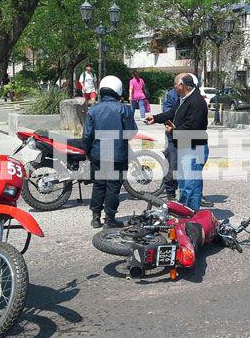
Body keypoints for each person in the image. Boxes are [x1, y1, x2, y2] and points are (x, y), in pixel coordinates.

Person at [146, 73, 209, 210]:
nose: (174, 88)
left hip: (194, 147)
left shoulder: (197, 102)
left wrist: (172, 132)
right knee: (184, 184)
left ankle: (191, 214)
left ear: (182, 85)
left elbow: (192, 127)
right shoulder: (183, 99)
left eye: (175, 85)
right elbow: (171, 114)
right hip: (184, 146)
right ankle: (184, 211)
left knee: (191, 184)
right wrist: (155, 118)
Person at [83, 75, 137, 229]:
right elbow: (131, 132)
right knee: (113, 186)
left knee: (99, 185)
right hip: (117, 154)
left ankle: (95, 217)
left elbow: (87, 136)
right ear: (118, 90)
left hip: (98, 154)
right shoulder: (124, 109)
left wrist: (88, 153)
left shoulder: (93, 110)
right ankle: (110, 219)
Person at [161, 88, 179, 200]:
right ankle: (170, 194)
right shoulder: (172, 94)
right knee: (172, 164)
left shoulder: (193, 96)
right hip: (173, 134)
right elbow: (168, 113)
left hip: (188, 134)